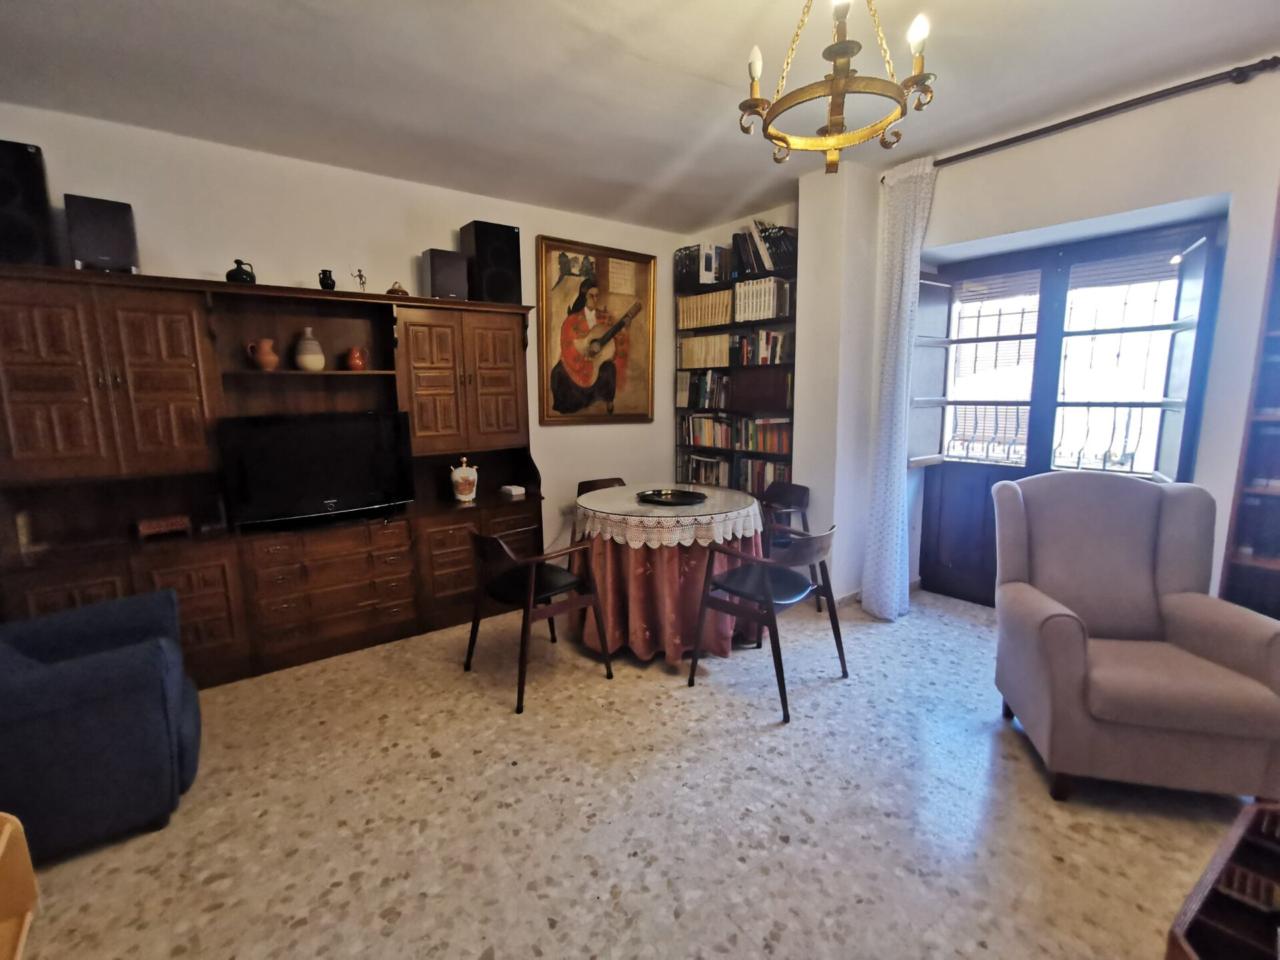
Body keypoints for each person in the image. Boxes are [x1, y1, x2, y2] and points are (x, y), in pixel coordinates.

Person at [550, 277, 628, 415]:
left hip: (597, 361)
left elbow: (614, 339)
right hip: (578, 361)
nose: (595, 299)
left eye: (597, 296)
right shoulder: (572, 319)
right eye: (591, 296)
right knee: (558, 373)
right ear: (584, 296)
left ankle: (607, 401)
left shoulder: (604, 317)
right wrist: (585, 355)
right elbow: (567, 343)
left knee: (609, 368)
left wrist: (622, 329)